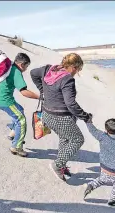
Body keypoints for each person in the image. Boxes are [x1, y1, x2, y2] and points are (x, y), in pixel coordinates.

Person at [30, 53, 92, 182]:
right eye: (79, 69)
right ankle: (57, 165)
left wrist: (43, 91)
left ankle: (62, 164)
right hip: (60, 117)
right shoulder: (68, 79)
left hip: (47, 115)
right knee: (77, 139)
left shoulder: (48, 69)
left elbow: (33, 73)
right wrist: (85, 116)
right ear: (74, 67)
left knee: (65, 138)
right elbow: (71, 104)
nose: (78, 72)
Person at [0, 53, 40, 157]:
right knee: (21, 120)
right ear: (22, 64)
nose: (26, 69)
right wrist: (39, 97)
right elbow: (24, 92)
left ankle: (13, 134)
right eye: (26, 66)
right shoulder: (16, 72)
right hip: (4, 100)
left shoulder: (9, 66)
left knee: (20, 110)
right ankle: (17, 147)